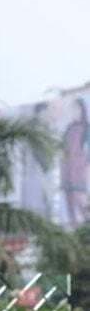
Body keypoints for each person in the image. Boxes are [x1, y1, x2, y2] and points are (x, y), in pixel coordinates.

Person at [61, 97, 90, 228]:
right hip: (67, 167)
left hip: (80, 168)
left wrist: (86, 166)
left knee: (81, 199)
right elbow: (63, 147)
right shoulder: (69, 128)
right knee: (69, 200)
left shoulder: (87, 128)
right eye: (72, 109)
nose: (74, 112)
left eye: (76, 109)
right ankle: (75, 229)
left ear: (82, 110)